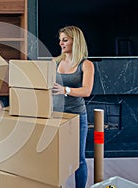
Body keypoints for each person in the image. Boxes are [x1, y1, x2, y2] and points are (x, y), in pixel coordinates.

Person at [52, 25, 94, 188]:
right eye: (60, 40)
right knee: (56, 156)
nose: (61, 43)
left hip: (76, 116)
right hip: (55, 115)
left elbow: (86, 91)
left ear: (75, 41)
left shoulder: (86, 64)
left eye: (65, 40)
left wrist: (65, 90)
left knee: (79, 158)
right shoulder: (54, 62)